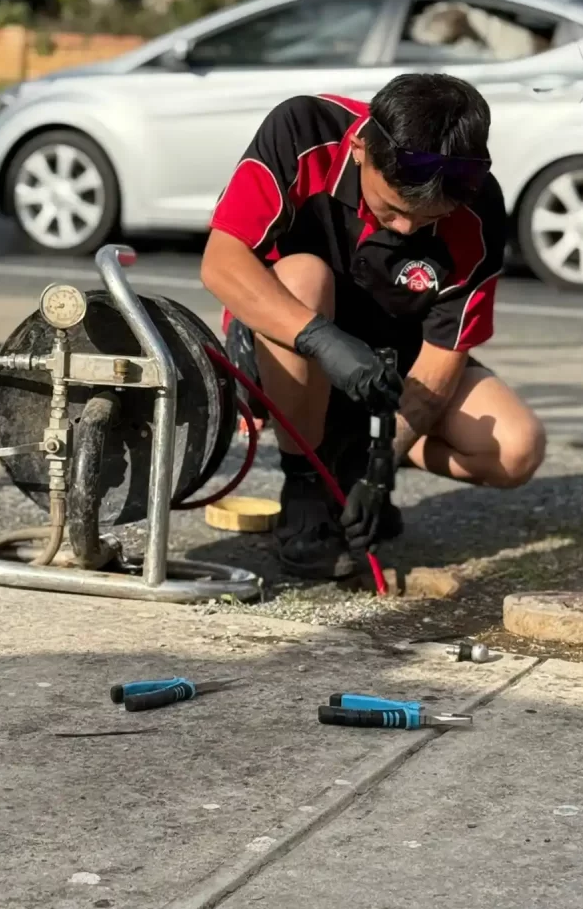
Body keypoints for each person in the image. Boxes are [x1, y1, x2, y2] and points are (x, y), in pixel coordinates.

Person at [200, 72, 546, 579]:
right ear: (361, 149)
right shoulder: (303, 128)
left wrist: (379, 464)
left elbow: (439, 359)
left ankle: (352, 455)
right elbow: (220, 262)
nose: (406, 229)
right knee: (304, 277)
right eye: (395, 209)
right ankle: (305, 486)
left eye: (427, 219)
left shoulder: (478, 207)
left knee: (517, 448)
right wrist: (323, 340)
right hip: (284, 341)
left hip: (389, 365)